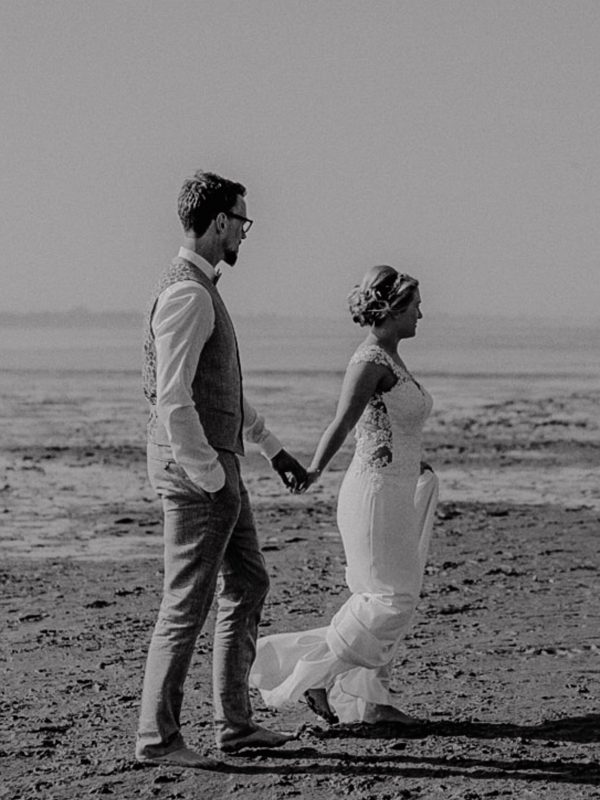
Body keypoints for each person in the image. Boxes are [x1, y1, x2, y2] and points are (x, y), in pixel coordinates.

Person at [136, 170, 307, 769]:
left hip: (218, 469)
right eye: (241, 220)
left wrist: (270, 448)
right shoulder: (187, 294)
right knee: (185, 604)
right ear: (217, 223)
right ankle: (158, 740)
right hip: (200, 477)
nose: (244, 232)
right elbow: (174, 398)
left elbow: (222, 391)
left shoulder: (202, 289)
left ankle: (234, 725)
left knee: (250, 583)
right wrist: (209, 476)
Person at [250, 265, 438, 725]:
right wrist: (314, 470)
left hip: (396, 488)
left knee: (385, 595)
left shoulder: (392, 358)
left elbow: (392, 426)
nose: (422, 314)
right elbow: (343, 422)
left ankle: (372, 701)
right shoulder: (369, 361)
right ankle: (313, 674)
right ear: (392, 310)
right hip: (372, 495)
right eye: (415, 305)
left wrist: (417, 465)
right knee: (390, 600)